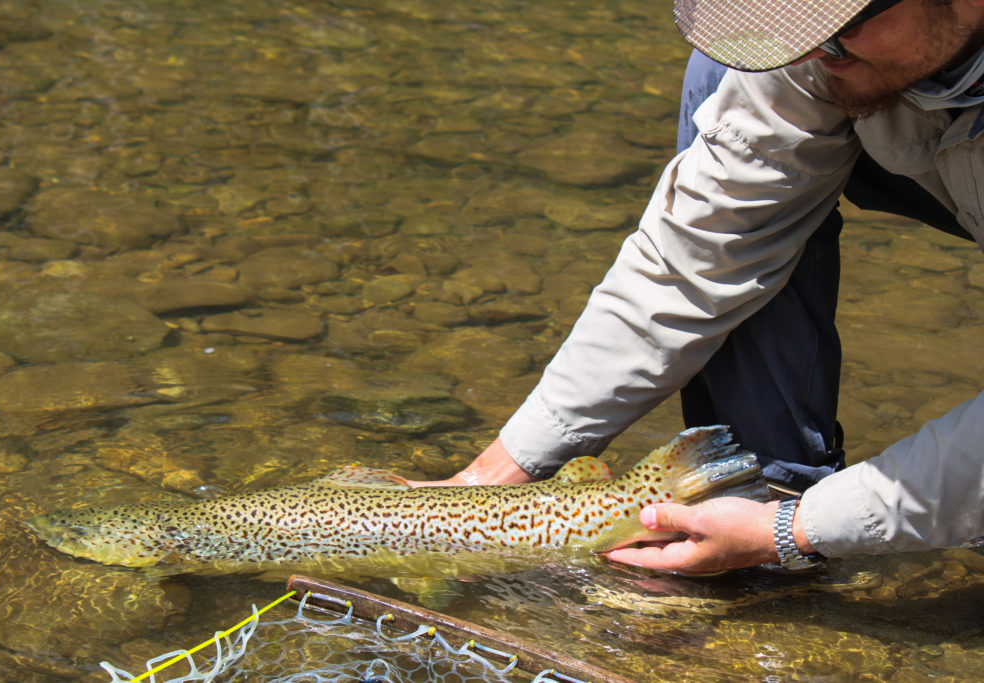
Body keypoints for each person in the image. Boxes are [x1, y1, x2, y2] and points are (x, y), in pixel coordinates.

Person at [411, 0, 984, 574]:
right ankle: (756, 487)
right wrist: (491, 478)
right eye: (801, 28)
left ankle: (770, 530)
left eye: (841, 29)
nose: (812, 52)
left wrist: (795, 531)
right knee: (730, 74)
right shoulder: (817, 49)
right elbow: (701, 254)